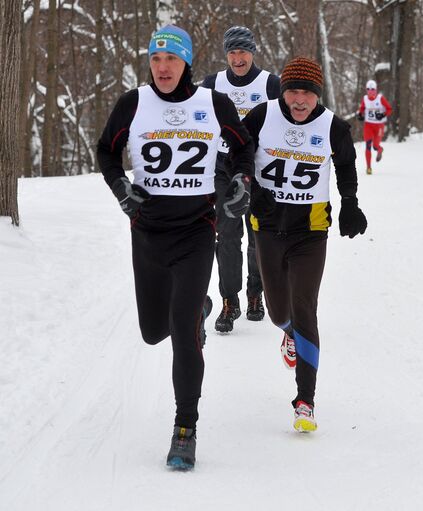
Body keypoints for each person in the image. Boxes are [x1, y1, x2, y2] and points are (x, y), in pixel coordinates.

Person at [97, 25, 254, 470]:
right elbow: (106, 152)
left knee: (183, 335)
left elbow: (244, 149)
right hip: (147, 230)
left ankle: (186, 427)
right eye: (155, 59)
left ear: (186, 63)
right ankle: (198, 309)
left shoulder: (213, 103)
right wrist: (120, 186)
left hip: (197, 230)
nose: (162, 67)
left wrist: (242, 181)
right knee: (153, 331)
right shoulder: (133, 103)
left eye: (171, 59)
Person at [242, 57, 367, 432]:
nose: (299, 100)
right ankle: (287, 333)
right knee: (280, 311)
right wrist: (251, 186)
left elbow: (345, 165)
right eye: (293, 91)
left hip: (311, 231)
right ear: (283, 92)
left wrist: (351, 204)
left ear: (318, 95)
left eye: (307, 93)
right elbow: (236, 153)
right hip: (266, 225)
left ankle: (304, 401)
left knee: (305, 307)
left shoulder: (334, 127)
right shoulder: (261, 117)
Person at [200, 26, 281, 334]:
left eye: (243, 52)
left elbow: (287, 120)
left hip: (259, 168)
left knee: (258, 233)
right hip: (223, 166)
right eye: (232, 52)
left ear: (253, 52)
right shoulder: (213, 84)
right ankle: (229, 300)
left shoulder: (270, 83)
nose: (237, 58)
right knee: (228, 235)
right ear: (226, 55)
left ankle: (255, 293)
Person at [356, 79, 392, 175]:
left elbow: (389, 109)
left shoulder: (380, 98)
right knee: (368, 145)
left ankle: (380, 149)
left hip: (379, 126)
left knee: (375, 146)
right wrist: (360, 114)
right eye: (368, 89)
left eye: (372, 89)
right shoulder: (365, 99)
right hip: (368, 125)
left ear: (376, 90)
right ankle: (368, 167)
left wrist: (383, 114)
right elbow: (362, 108)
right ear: (366, 90)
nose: (370, 91)